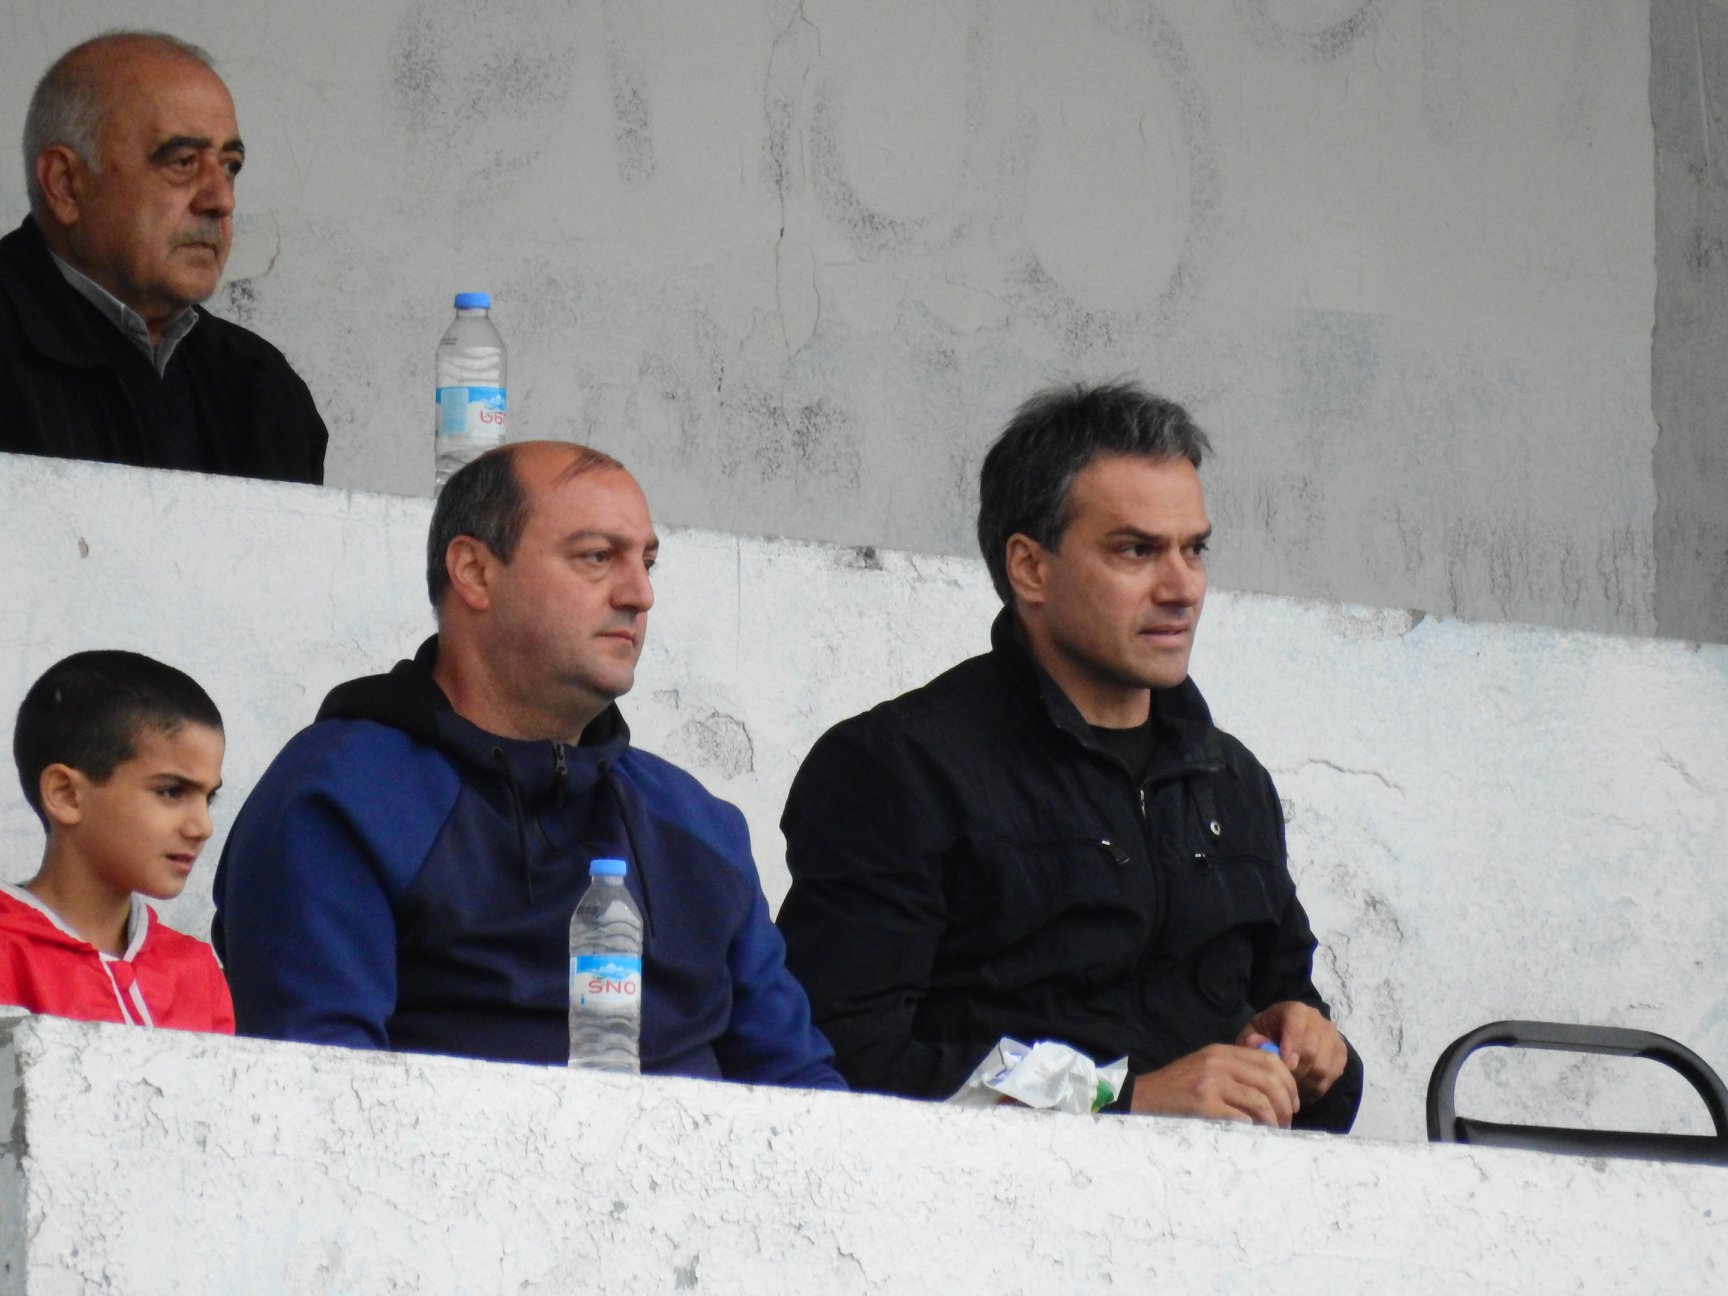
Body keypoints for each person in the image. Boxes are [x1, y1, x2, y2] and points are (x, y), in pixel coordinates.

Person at [777, 381, 1363, 1130]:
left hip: (1231, 1199)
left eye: (1194, 549)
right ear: (1031, 568)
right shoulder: (897, 767)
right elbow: (847, 1057)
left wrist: (1312, 1048)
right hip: (989, 1198)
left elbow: (1295, 1022)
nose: (1182, 587)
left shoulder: (1232, 780)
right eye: (1136, 551)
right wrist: (1122, 1098)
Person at [212, 442, 844, 1089]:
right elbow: (318, 1089)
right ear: (475, 571)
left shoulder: (695, 821)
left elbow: (805, 1090)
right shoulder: (343, 797)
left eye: (648, 562)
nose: (641, 594)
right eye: (597, 556)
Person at [0, 31, 327, 483]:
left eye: (229, 166)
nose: (221, 200)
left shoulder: (263, 389)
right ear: (66, 184)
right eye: (182, 162)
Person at [2, 650, 234, 1033]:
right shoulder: (7, 952)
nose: (202, 827)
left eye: (208, 798)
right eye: (171, 792)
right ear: (66, 795)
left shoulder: (196, 972)